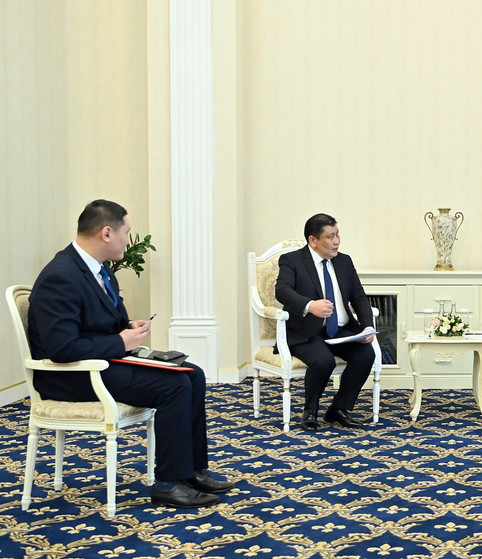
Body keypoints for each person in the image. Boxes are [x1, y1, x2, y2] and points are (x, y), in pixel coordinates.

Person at [28, 199, 235, 509]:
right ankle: (168, 483)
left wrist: (127, 328)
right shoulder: (60, 275)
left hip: (100, 363)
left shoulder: (100, 270)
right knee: (173, 385)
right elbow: (62, 348)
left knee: (193, 374)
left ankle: (191, 471)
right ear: (107, 233)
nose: (128, 239)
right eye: (126, 232)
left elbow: (96, 324)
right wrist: (120, 342)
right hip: (69, 376)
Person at [275, 213, 376, 431]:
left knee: (366, 355)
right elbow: (282, 291)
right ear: (313, 240)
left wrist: (367, 326)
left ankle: (338, 409)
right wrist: (310, 305)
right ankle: (310, 411)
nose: (337, 241)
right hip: (306, 332)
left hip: (340, 329)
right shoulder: (292, 260)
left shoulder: (344, 261)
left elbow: (359, 297)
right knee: (323, 361)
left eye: (337, 234)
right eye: (330, 237)